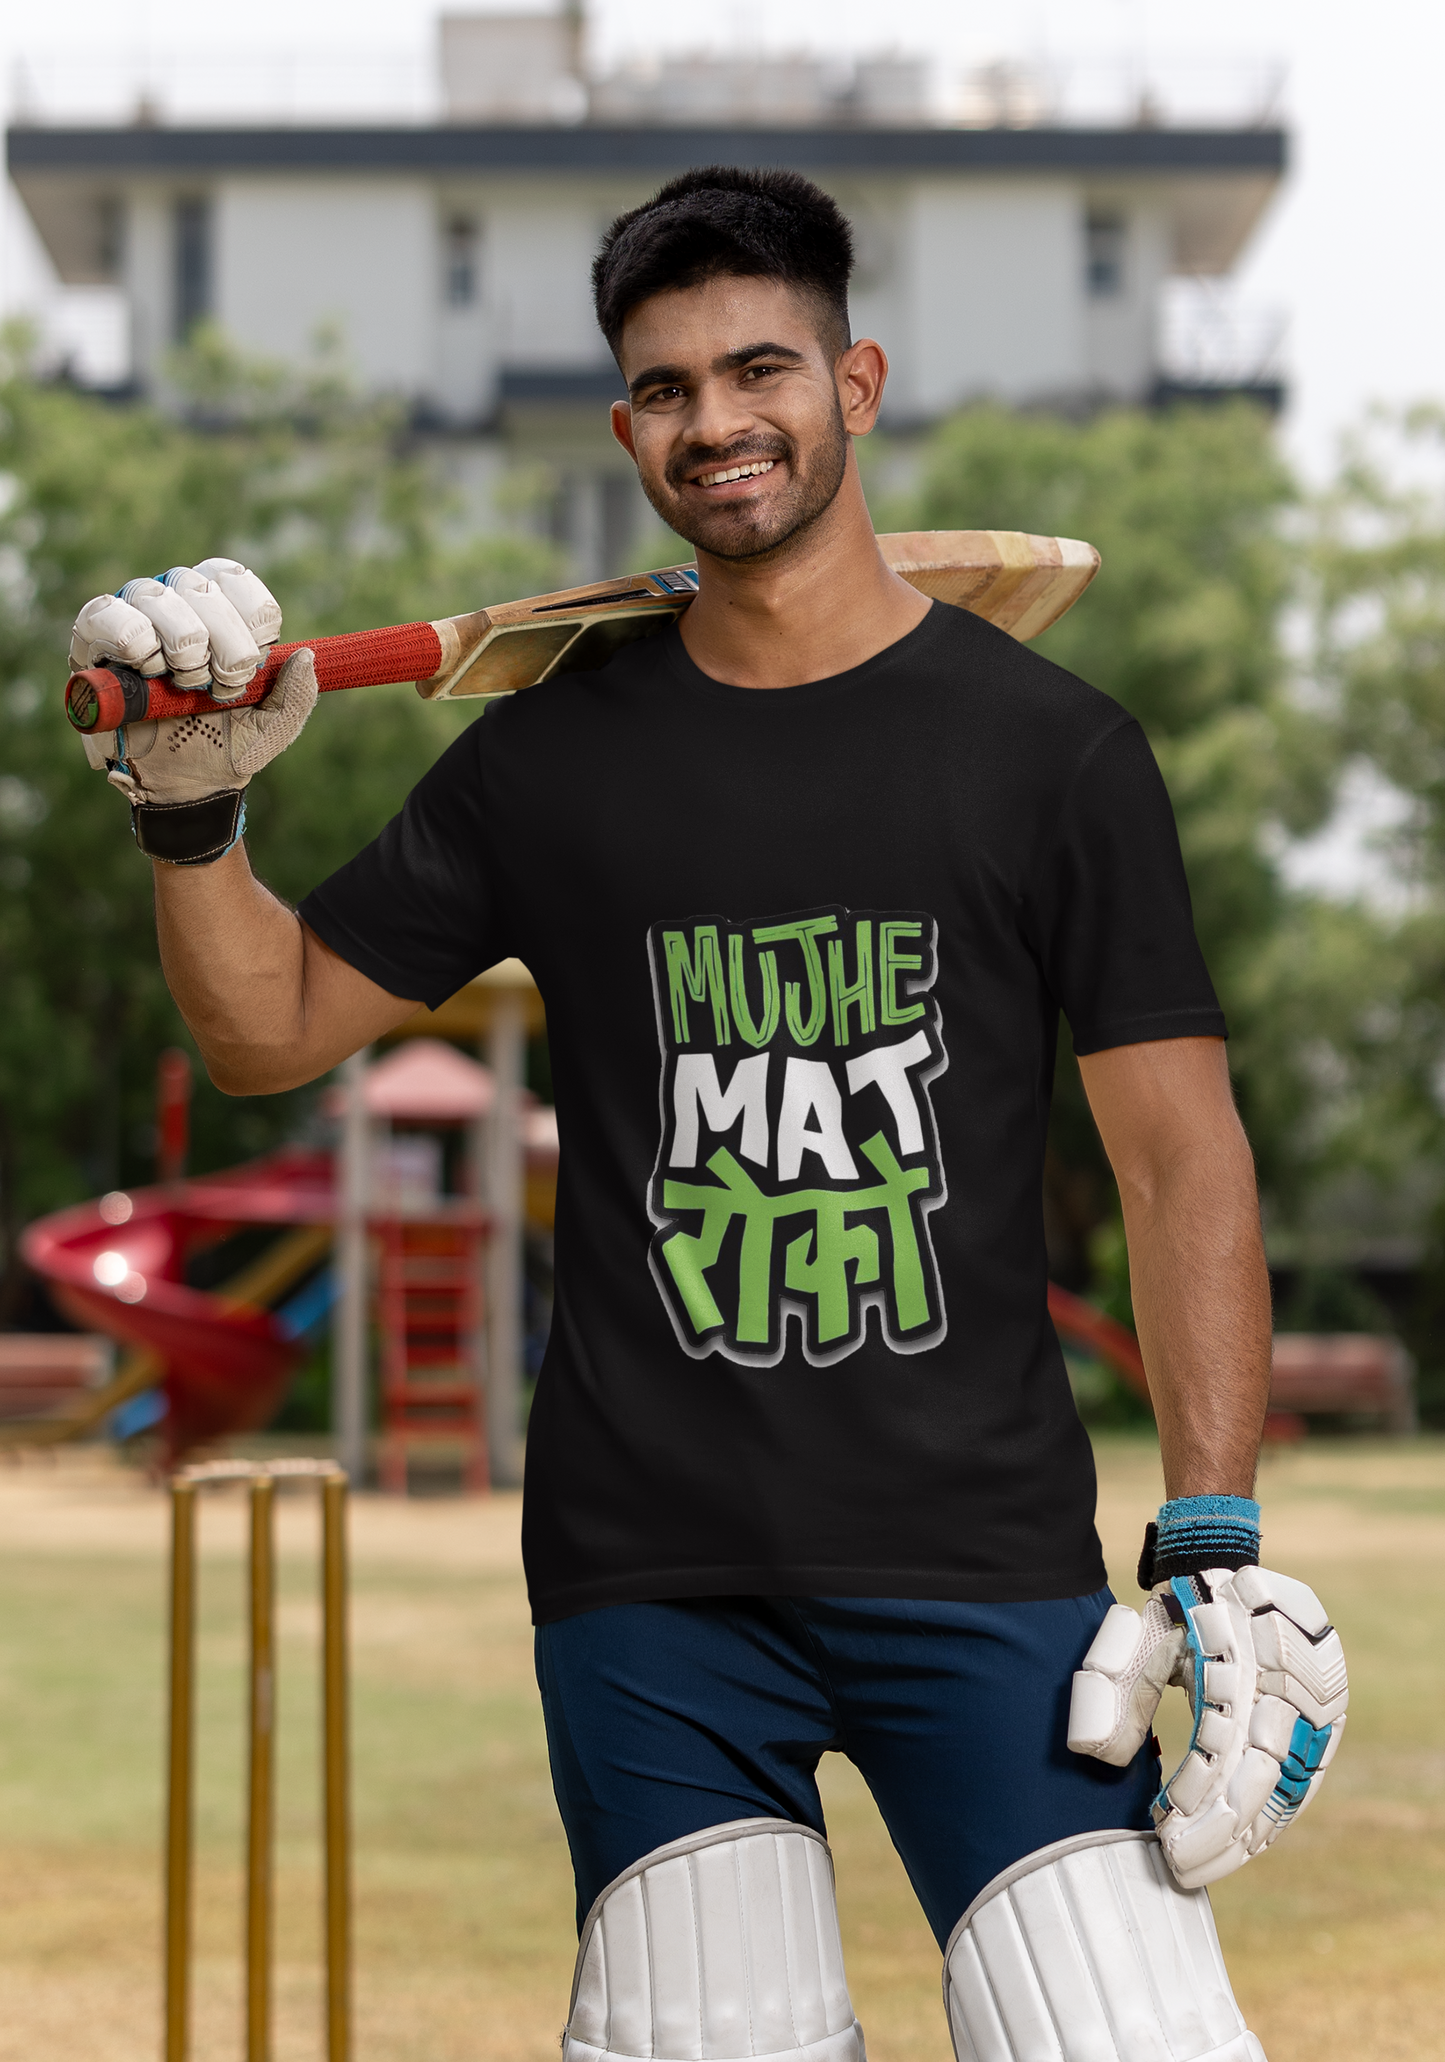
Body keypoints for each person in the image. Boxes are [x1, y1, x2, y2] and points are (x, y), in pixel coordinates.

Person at [71, 168, 1347, 2062]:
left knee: (1124, 2039)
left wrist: (1212, 1526)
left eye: (761, 368)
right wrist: (192, 819)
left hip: (979, 1558)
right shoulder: (546, 767)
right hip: (650, 1582)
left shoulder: (1053, 753)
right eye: (666, 388)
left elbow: (1181, 1158)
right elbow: (268, 1030)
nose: (715, 420)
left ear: (856, 384)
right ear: (626, 431)